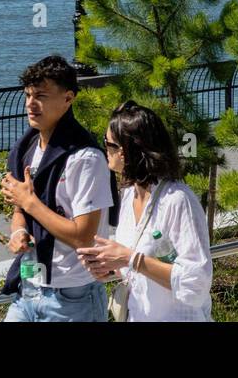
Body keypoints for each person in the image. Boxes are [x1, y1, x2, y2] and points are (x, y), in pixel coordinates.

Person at [0, 55, 118, 322]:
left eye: (40, 95)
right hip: (28, 287)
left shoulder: (85, 157)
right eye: (28, 95)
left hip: (72, 297)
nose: (31, 103)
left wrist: (30, 203)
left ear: (68, 98)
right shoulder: (26, 149)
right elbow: (20, 209)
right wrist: (18, 230)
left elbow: (82, 237)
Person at [77, 100, 213, 321]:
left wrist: (130, 259)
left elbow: (196, 283)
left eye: (108, 144)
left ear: (126, 151)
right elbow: (133, 264)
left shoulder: (177, 200)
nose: (105, 150)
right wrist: (109, 267)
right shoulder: (131, 194)